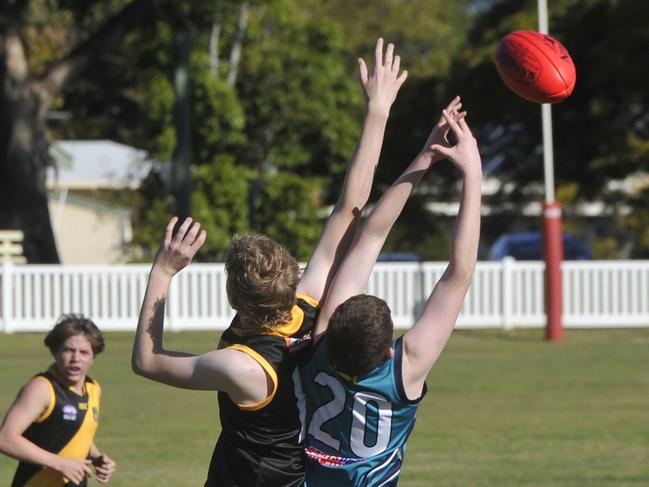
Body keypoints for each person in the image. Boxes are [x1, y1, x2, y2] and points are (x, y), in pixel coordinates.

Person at [131, 37, 407, 487]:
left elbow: (147, 360)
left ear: (233, 296)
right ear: (291, 278)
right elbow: (349, 209)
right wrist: (378, 111)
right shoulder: (309, 306)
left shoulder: (241, 365)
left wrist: (163, 271)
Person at [298, 100, 482, 486]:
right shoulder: (404, 370)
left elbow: (371, 237)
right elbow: (459, 273)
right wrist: (470, 172)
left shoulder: (318, 347)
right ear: (387, 352)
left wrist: (425, 158)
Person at [0, 315, 117, 487]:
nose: (75, 358)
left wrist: (97, 457)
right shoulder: (41, 389)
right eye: (68, 350)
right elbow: (5, 439)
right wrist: (59, 463)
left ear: (94, 356)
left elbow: (75, 432)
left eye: (84, 352)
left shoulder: (93, 389)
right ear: (55, 352)